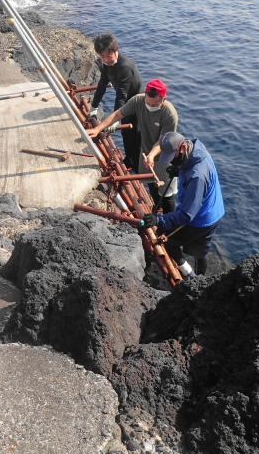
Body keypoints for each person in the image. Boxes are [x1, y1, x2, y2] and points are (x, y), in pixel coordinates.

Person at [86, 79, 179, 213]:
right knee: (151, 184)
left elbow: (162, 141)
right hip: (146, 152)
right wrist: (98, 129)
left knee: (166, 194)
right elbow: (117, 114)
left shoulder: (170, 114)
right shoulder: (138, 100)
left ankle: (170, 223)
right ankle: (156, 210)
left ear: (164, 99)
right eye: (147, 102)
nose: (149, 106)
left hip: (164, 157)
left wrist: (152, 155)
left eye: (154, 104)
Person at [141, 132, 225, 278]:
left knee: (166, 240)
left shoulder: (197, 176)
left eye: (173, 158)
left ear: (183, 147)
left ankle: (190, 276)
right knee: (201, 251)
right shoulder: (197, 148)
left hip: (199, 219)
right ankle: (201, 279)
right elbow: (188, 163)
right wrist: (179, 170)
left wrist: (159, 220)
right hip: (214, 212)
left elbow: (187, 215)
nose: (172, 162)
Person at [88, 33, 144, 170]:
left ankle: (137, 167)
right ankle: (129, 161)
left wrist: (115, 119)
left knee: (135, 136)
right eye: (102, 57)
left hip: (137, 106)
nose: (105, 59)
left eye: (108, 56)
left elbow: (121, 95)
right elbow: (102, 85)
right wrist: (94, 106)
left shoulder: (125, 67)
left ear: (116, 51)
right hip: (125, 105)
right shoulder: (106, 65)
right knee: (125, 134)